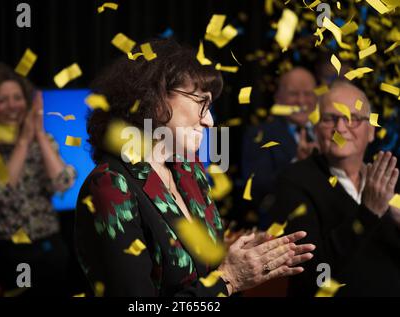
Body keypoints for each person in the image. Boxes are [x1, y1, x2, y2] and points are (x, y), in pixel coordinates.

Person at [75, 39, 315, 297]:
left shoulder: (188, 170)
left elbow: (201, 270)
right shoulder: (110, 186)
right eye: (202, 103)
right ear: (154, 98)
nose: (209, 121)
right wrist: (230, 279)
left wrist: (242, 257)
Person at [268, 81, 400, 296]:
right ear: (317, 129)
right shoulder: (294, 181)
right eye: (330, 118)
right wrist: (367, 213)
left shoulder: (391, 178)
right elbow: (311, 275)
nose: (340, 128)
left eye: (353, 118)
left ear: (371, 131)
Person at [0, 63, 76, 295]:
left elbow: (62, 183)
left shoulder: (42, 140)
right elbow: (0, 192)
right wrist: (23, 142)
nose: (12, 106)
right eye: (2, 100)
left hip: (48, 245)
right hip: (2, 251)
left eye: (17, 98)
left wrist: (40, 135)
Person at [240, 67, 318, 224]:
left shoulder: (330, 130)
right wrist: (297, 163)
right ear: (278, 98)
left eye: (308, 94)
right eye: (293, 94)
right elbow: (256, 190)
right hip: (281, 230)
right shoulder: (259, 135)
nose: (301, 101)